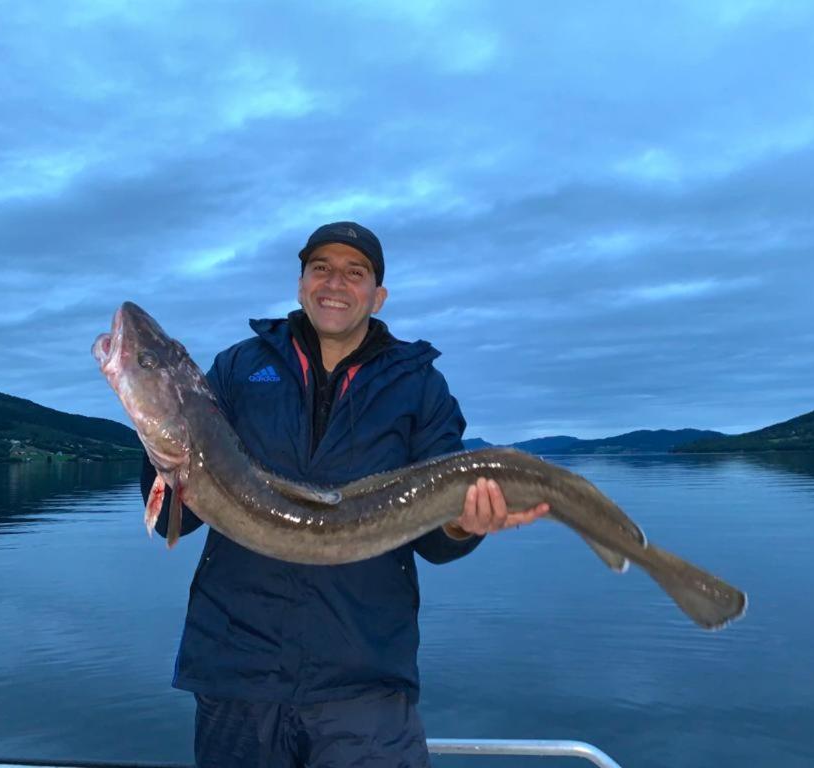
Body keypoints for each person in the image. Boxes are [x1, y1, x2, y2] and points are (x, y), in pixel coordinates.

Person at [140, 221, 548, 767]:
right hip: (239, 670)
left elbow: (435, 542)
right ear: (301, 282)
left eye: (355, 273)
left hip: (366, 679)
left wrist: (462, 525)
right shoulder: (239, 367)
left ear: (377, 295)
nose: (335, 282)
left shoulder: (418, 385)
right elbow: (179, 519)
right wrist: (157, 450)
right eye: (321, 268)